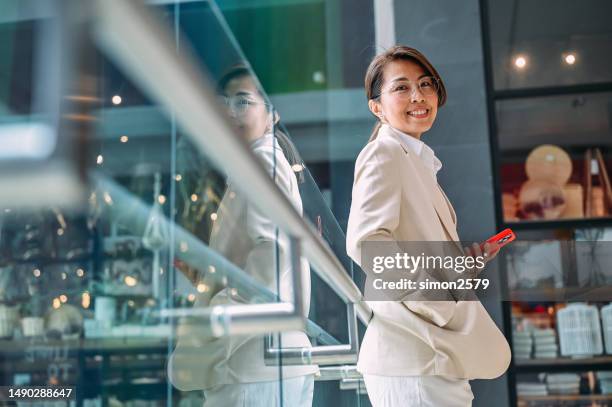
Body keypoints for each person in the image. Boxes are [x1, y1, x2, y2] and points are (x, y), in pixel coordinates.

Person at [346, 45, 511, 406]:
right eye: (401, 87)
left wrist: (466, 263)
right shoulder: (384, 152)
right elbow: (368, 242)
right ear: (376, 107)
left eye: (425, 84)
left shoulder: (417, 162)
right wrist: (437, 302)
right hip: (414, 355)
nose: (418, 96)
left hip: (430, 356)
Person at [169, 65, 317, 406]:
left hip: (253, 363)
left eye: (243, 102)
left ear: (273, 113)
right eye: (224, 103)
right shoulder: (258, 163)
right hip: (269, 359)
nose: (230, 113)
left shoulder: (263, 160)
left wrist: (223, 312)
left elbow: (272, 251)